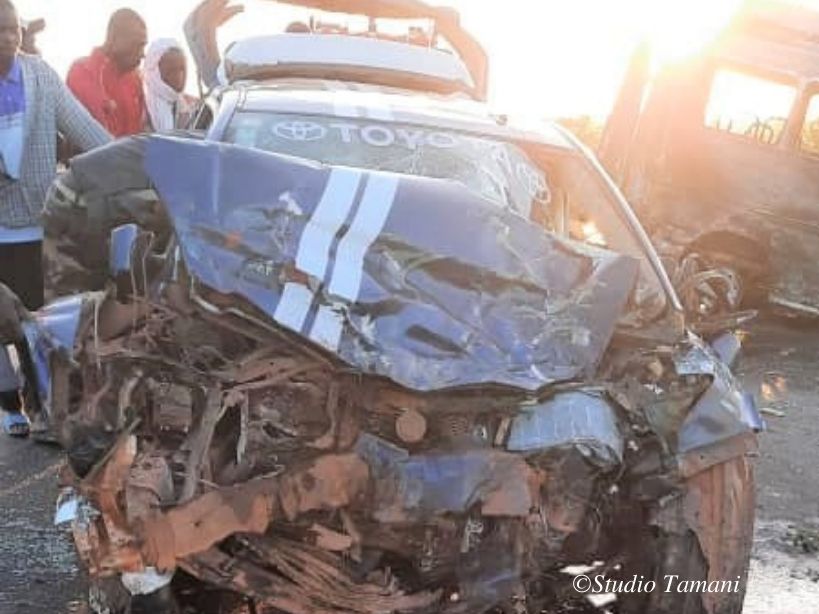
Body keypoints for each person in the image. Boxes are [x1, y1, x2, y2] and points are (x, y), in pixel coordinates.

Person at [0, 0, 111, 436]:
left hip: (38, 228)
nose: (7, 38)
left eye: (12, 28)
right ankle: (10, 406)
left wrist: (130, 163)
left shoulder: (41, 78)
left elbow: (87, 132)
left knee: (38, 323)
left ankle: (44, 404)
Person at [67, 8, 147, 137]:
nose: (143, 54)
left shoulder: (135, 78)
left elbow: (138, 134)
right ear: (114, 39)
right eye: (137, 45)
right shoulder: (83, 72)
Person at [143, 39, 195, 131]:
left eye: (182, 69)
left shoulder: (191, 105)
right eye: (171, 71)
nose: (179, 76)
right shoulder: (144, 110)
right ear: (155, 73)